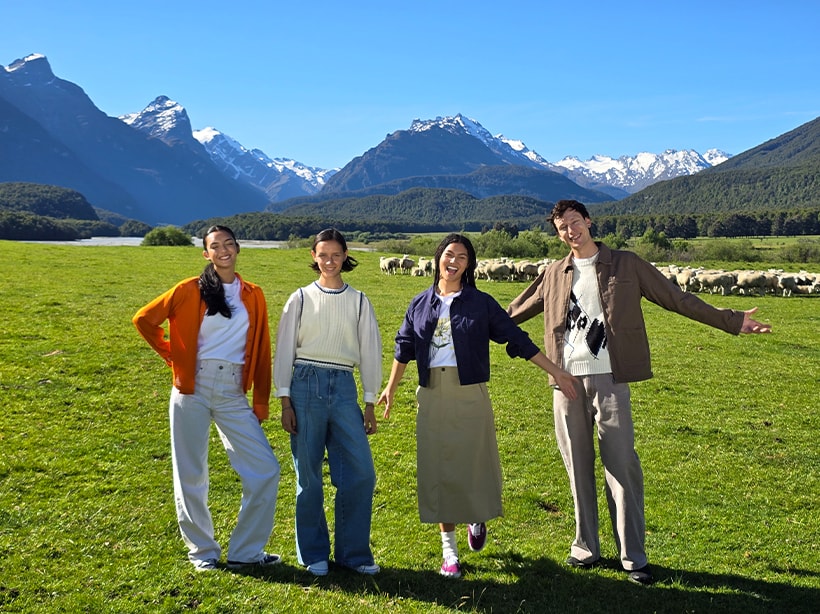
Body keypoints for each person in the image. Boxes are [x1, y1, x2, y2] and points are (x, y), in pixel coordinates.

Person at [507, 200, 772, 585]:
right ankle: (586, 547)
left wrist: (731, 322)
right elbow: (511, 314)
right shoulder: (553, 273)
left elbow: (678, 299)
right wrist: (462, 322)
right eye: (562, 227)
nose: (570, 231)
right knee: (576, 466)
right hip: (565, 382)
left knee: (622, 466)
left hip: (612, 378)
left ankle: (633, 558)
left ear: (589, 222)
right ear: (558, 232)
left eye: (575, 223)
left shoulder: (627, 264)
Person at [377, 233, 579, 579]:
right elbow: (404, 347)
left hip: (470, 392)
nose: (453, 262)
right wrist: (390, 389)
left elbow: (516, 339)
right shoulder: (420, 304)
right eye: (449, 254)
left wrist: (556, 371)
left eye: (462, 257)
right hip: (432, 394)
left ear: (469, 265)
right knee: (439, 470)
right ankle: (449, 553)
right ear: (438, 258)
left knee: (473, 462)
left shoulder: (480, 303)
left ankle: (476, 514)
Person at [132, 225, 281, 572]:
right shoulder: (188, 290)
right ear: (206, 254)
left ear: (238, 248)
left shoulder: (253, 294)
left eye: (229, 243)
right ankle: (202, 553)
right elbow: (144, 320)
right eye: (216, 246)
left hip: (232, 391)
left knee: (265, 469)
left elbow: (261, 350)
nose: (224, 250)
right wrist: (175, 357)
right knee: (191, 473)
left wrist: (261, 401)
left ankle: (245, 552)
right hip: (191, 389)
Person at [273, 228, 382, 577]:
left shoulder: (360, 300)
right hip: (304, 385)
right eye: (323, 254)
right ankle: (314, 553)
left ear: (345, 255)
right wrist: (284, 401)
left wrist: (369, 401)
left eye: (336, 254)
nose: (330, 261)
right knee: (309, 475)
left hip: (344, 387)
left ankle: (353, 554)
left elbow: (370, 353)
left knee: (361, 473)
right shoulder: (300, 298)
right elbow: (284, 351)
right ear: (313, 256)